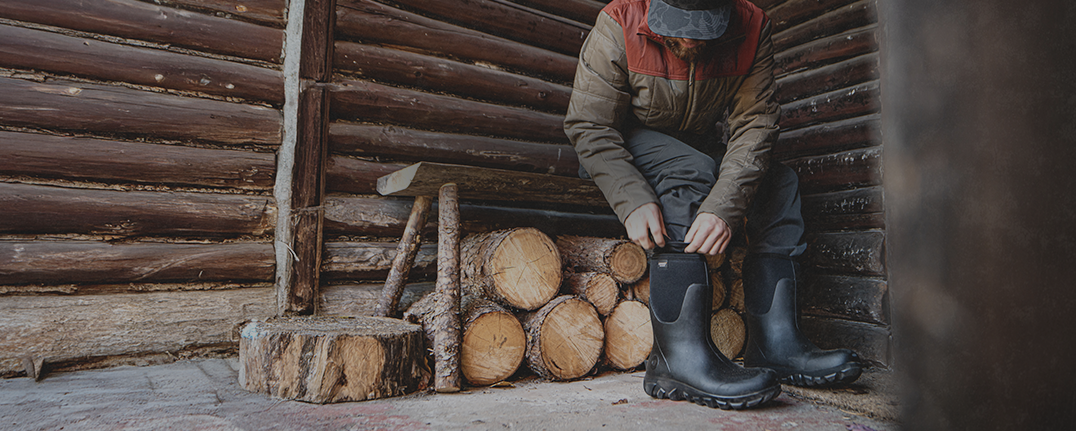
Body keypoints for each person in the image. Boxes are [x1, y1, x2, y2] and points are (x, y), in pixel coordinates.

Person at [564, 0, 862, 410]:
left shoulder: (752, 26)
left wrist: (723, 207)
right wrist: (632, 199)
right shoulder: (619, 21)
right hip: (620, 147)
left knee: (779, 182)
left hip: (695, 151)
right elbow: (589, 125)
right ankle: (677, 361)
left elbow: (755, 125)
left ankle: (775, 344)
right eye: (679, 25)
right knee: (692, 168)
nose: (689, 38)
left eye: (702, 27)